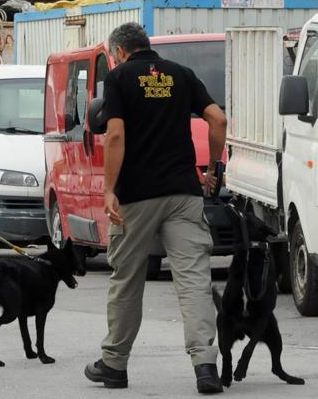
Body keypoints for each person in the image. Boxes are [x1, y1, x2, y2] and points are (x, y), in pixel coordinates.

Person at [84, 22, 228, 394]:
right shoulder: (181, 75)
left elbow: (115, 134)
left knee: (127, 280)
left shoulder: (118, 78)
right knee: (194, 280)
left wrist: (109, 190)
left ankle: (114, 365)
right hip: (183, 193)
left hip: (135, 197)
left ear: (118, 52)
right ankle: (205, 367)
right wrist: (212, 169)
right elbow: (218, 119)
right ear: (147, 46)